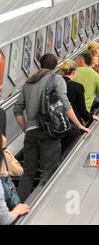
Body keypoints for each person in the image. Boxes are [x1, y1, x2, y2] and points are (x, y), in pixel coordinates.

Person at [13, 54, 90, 200]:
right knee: (48, 173)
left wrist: (26, 128)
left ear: (40, 65)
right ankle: (41, 207)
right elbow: (65, 104)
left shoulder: (28, 83)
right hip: (49, 132)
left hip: (31, 133)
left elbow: (17, 110)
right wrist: (80, 125)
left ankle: (19, 206)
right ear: (55, 66)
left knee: (28, 172)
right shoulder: (56, 79)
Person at [59, 60, 99, 154]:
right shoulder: (77, 87)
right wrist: (91, 117)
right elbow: (82, 111)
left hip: (56, 124)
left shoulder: (55, 85)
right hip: (72, 125)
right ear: (73, 72)